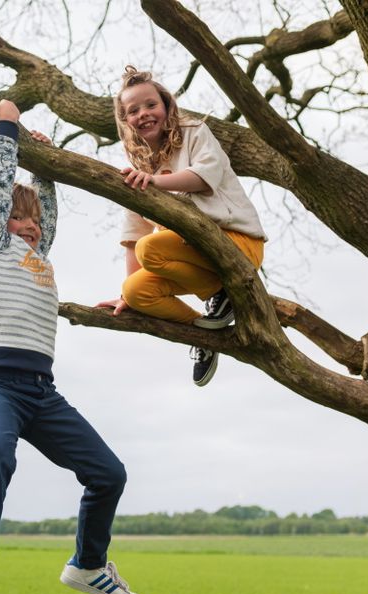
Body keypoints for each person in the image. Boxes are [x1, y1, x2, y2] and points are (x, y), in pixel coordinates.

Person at [0, 96, 141, 594]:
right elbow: (0, 187)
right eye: (17, 219)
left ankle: (89, 564)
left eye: (31, 221)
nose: (28, 226)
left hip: (43, 392)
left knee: (109, 474)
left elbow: (44, 207)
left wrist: (40, 160)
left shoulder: (38, 255)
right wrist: (9, 126)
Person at [97, 66, 268, 387]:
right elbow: (134, 235)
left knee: (153, 247)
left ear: (166, 105)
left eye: (150, 105)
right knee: (136, 290)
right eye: (133, 110)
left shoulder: (194, 132)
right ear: (125, 120)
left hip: (238, 245)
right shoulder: (139, 166)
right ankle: (206, 333)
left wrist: (156, 182)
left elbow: (205, 177)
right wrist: (126, 296)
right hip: (194, 259)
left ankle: (221, 294)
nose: (144, 114)